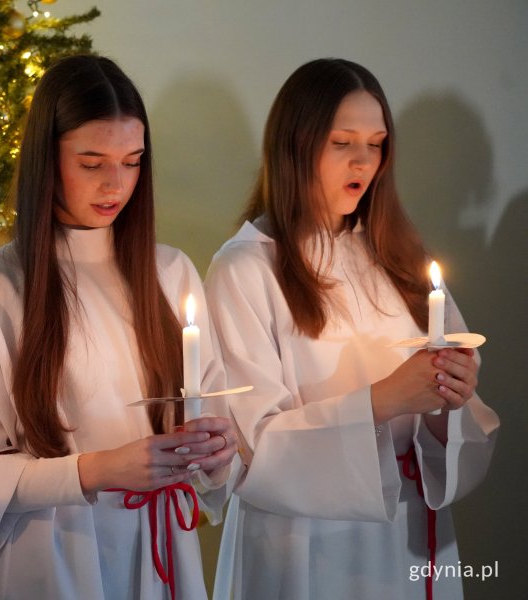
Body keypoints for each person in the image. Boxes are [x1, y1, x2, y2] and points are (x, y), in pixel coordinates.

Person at [0, 54, 240, 600]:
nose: (115, 184)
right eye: (92, 161)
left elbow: (212, 418)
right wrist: (98, 469)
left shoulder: (170, 273)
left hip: (160, 550)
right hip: (51, 553)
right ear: (46, 159)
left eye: (132, 161)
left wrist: (219, 449)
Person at [205, 58, 500, 600]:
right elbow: (251, 445)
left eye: (377, 142)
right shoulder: (246, 267)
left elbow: (457, 429)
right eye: (342, 142)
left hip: (409, 538)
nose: (364, 160)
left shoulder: (400, 256)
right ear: (296, 144)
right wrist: (383, 399)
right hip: (304, 545)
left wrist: (448, 404)